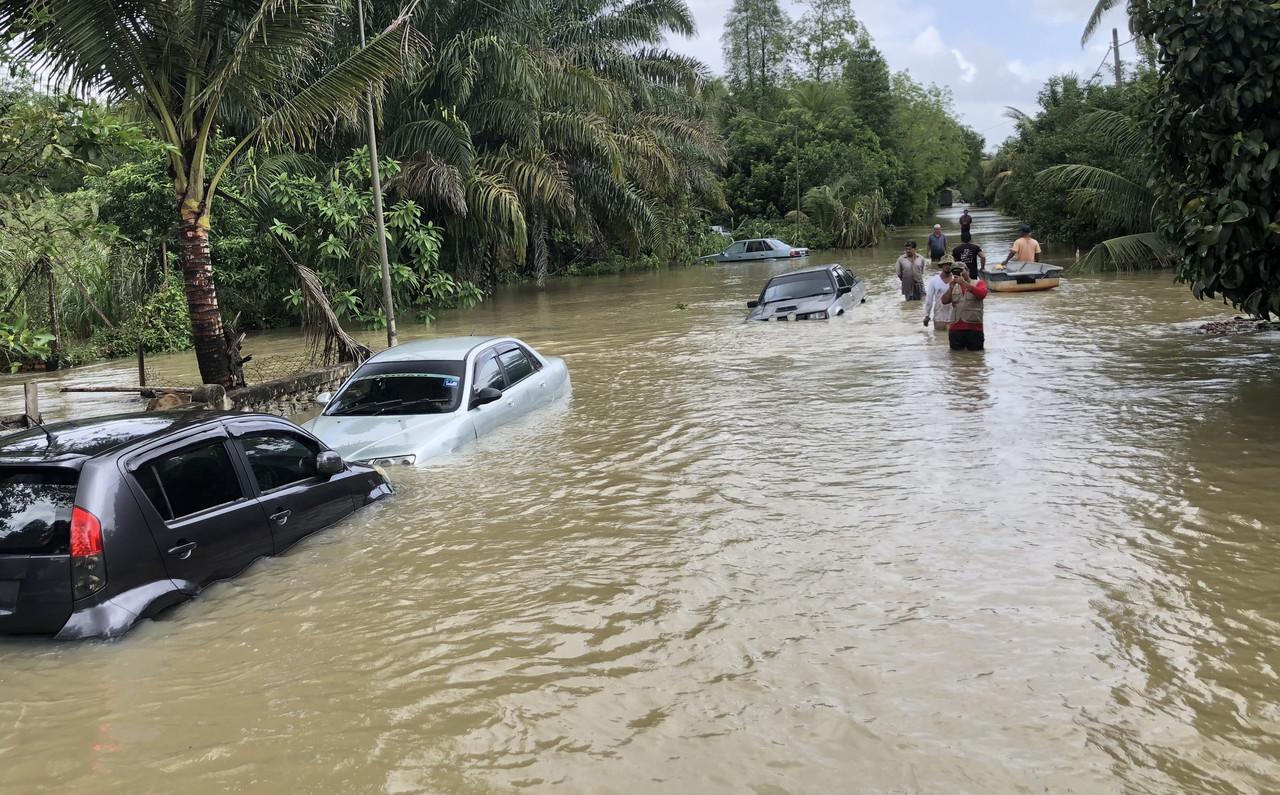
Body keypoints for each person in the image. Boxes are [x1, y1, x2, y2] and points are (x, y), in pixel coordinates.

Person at [941, 262, 988, 351]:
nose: (959, 273)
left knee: (976, 359)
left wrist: (964, 283)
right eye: (955, 271)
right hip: (955, 329)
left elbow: (982, 294)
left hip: (975, 329)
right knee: (956, 359)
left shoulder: (978, 283)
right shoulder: (953, 286)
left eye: (961, 270)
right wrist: (951, 288)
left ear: (968, 271)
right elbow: (944, 301)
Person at [923, 260, 955, 331]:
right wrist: (927, 315)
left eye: (950, 264)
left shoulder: (956, 280)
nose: (948, 266)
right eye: (945, 264)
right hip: (939, 316)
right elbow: (929, 299)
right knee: (938, 339)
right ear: (941, 266)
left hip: (953, 317)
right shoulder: (934, 280)